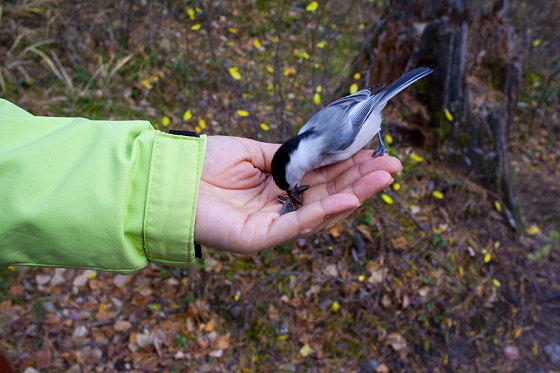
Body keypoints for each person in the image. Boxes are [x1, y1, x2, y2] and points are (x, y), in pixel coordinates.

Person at [0, 99, 401, 274]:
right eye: (293, 185)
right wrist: (171, 183)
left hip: (368, 109)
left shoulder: (318, 145)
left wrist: (173, 180)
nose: (296, 189)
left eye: (292, 184)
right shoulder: (306, 149)